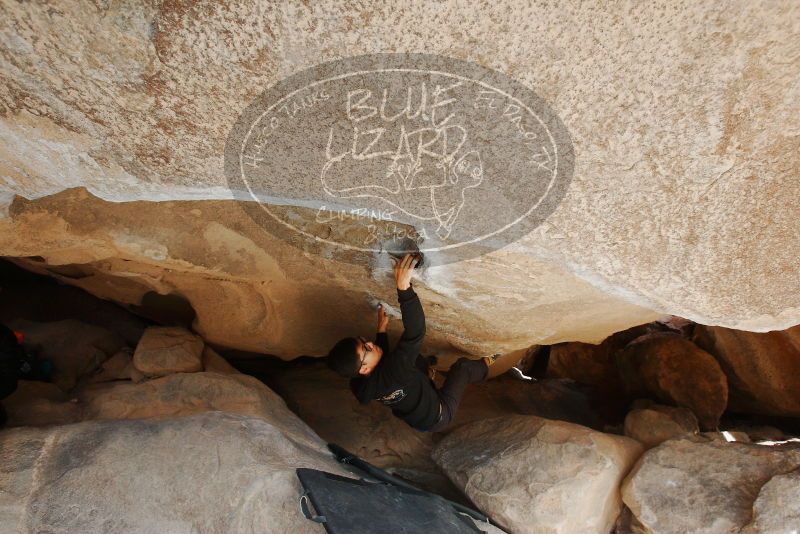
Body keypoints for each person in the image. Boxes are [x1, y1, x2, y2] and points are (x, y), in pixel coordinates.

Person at [327, 253, 495, 432]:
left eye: (362, 340)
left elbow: (382, 368)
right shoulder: (394, 371)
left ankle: (428, 373)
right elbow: (415, 332)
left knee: (414, 360)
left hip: (417, 415)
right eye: (365, 348)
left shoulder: (359, 385)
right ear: (364, 369)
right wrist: (403, 288)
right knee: (462, 368)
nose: (369, 343)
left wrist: (381, 332)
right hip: (440, 414)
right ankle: (488, 363)